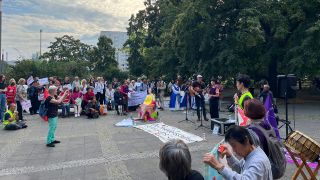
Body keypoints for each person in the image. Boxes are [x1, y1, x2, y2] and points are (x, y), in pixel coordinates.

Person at [203, 126, 272, 180]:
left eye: (234, 146)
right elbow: (241, 169)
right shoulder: (251, 153)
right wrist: (230, 156)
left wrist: (219, 167)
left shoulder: (257, 161)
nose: (234, 150)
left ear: (246, 140)